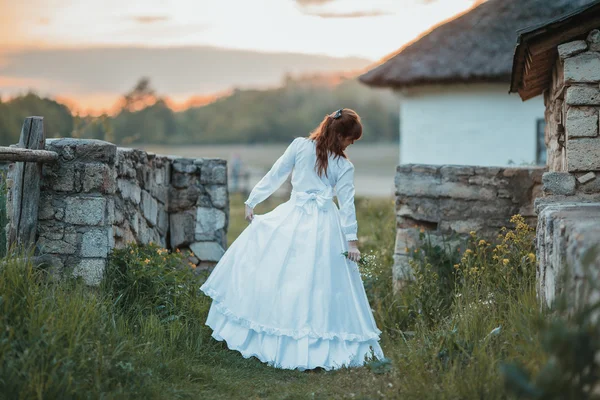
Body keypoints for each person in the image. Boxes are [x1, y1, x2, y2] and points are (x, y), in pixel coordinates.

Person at [200, 108, 384, 371]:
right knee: (291, 275)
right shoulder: (314, 152)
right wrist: (253, 200)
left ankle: (307, 341)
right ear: (340, 135)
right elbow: (279, 174)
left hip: (313, 221)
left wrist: (352, 241)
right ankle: (282, 336)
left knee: (312, 280)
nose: (350, 145)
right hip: (307, 218)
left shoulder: (335, 161)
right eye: (350, 139)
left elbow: (345, 204)